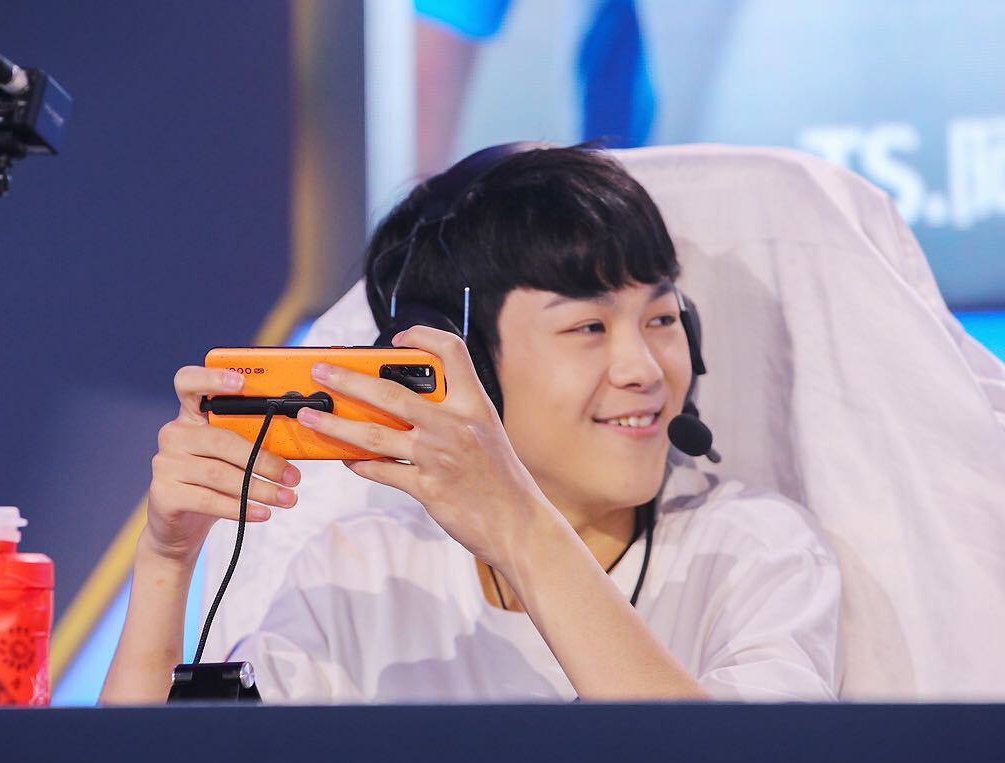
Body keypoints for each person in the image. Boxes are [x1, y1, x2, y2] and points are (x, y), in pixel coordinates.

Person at [101, 145, 841, 704]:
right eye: (587, 328)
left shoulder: (750, 551)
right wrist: (166, 562)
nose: (644, 369)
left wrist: (518, 526)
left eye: (662, 318)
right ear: (464, 367)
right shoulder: (364, 570)